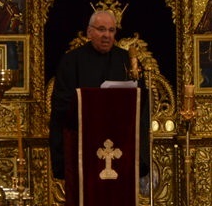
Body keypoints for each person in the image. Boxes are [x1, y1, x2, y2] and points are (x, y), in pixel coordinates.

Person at [49, 9, 149, 183]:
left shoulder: (126, 61)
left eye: (111, 30)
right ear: (89, 32)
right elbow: (61, 105)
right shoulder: (71, 61)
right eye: (101, 29)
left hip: (121, 146)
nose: (106, 35)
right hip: (84, 146)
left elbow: (140, 104)